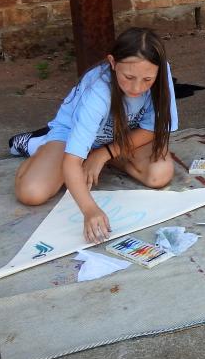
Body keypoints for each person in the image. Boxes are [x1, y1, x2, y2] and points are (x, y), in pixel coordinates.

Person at [11, 27, 178, 245]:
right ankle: (39, 146)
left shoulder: (161, 73)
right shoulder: (98, 92)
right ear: (112, 62)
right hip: (70, 136)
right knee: (31, 193)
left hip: (119, 137)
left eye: (147, 79)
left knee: (159, 174)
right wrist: (90, 210)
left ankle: (98, 157)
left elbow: (152, 128)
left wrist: (104, 154)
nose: (137, 87)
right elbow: (72, 161)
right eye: (128, 77)